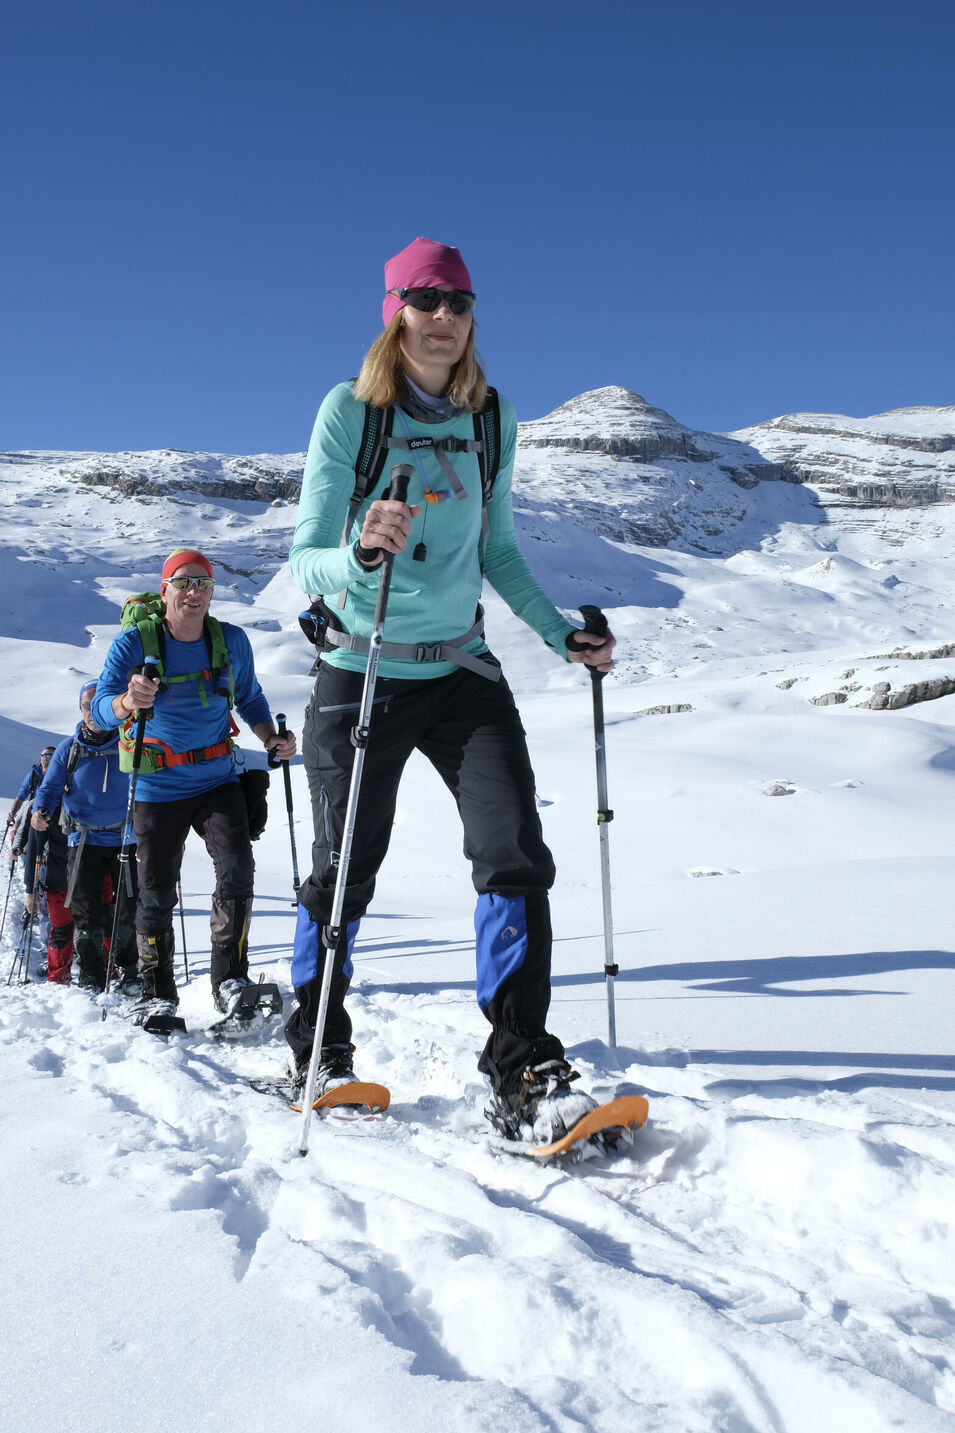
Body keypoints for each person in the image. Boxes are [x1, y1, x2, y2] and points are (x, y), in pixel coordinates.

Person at [285, 237, 615, 1144]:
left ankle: (520, 1067)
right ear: (394, 310)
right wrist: (358, 551)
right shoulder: (351, 413)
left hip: (462, 670)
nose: (443, 318)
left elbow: (496, 550)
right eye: (425, 300)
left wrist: (560, 635)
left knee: (513, 852)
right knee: (344, 869)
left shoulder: (490, 417)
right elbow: (303, 560)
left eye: (459, 303)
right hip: (363, 670)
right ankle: (317, 1046)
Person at [90, 549, 296, 1022]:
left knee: (237, 868)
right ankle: (156, 990)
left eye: (204, 583)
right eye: (184, 582)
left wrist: (272, 739)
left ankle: (229, 980)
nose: (194, 592)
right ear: (164, 592)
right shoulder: (133, 645)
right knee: (157, 890)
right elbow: (99, 711)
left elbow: (248, 696)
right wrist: (126, 701)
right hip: (156, 787)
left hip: (218, 778)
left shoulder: (231, 641)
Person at [31, 681, 137, 990]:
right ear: (80, 709)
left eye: (96, 703)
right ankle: (91, 976)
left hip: (124, 838)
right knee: (86, 912)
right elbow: (50, 788)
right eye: (85, 705)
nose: (91, 712)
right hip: (83, 840)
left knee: (127, 910)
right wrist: (41, 810)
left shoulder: (129, 741)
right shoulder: (69, 748)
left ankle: (128, 972)